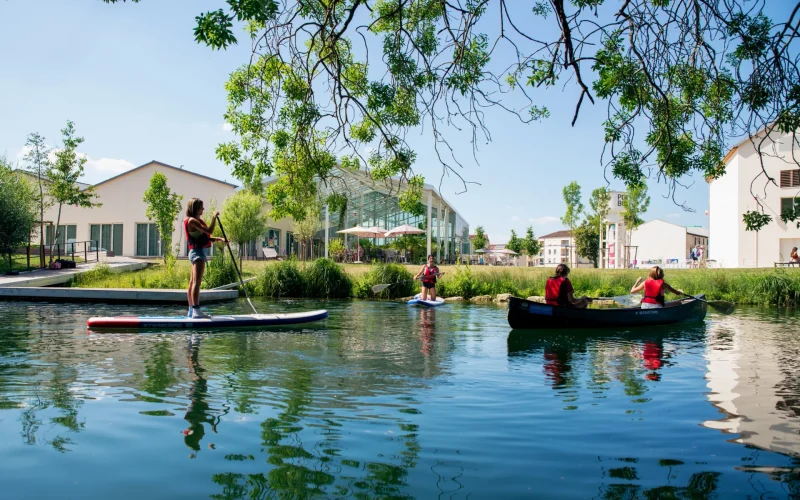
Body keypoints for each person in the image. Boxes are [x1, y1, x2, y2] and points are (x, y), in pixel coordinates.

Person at [184, 198, 226, 318]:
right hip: (198, 253)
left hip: (196, 252)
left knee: (192, 282)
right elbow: (209, 230)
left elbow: (205, 237)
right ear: (196, 208)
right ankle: (196, 311)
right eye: (201, 207)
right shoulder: (192, 221)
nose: (203, 209)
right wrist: (214, 217)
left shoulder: (194, 221)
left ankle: (191, 310)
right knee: (196, 283)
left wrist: (219, 239)